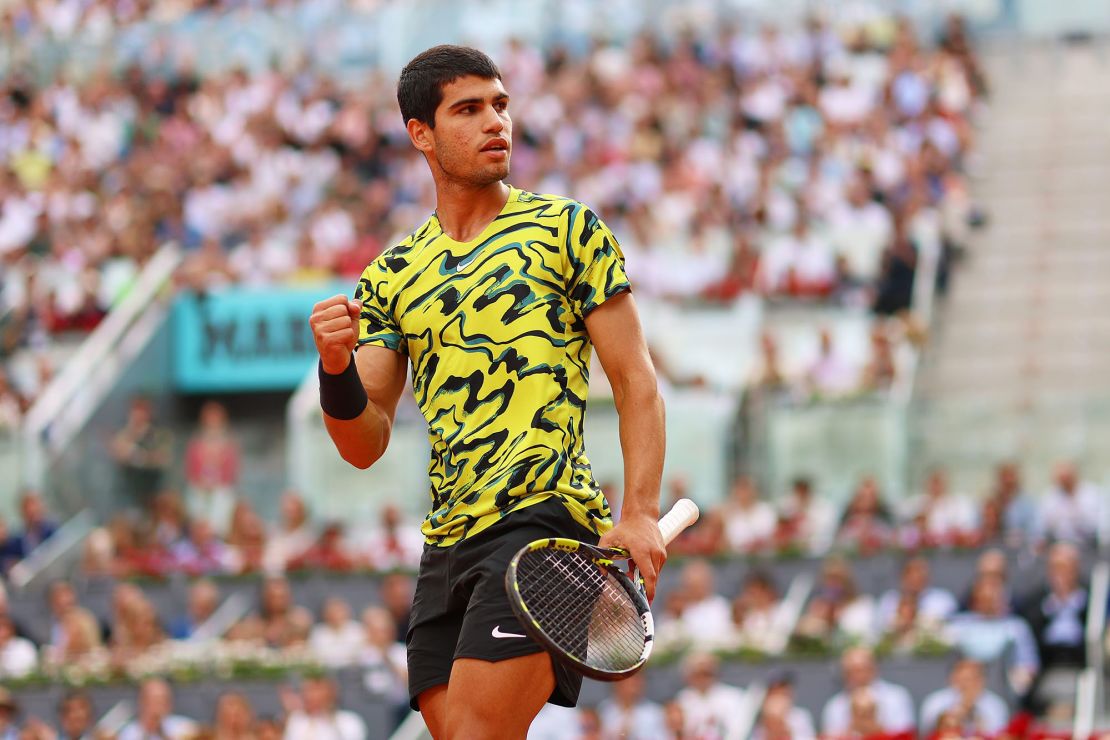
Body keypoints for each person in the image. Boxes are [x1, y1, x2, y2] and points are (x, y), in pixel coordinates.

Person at [308, 45, 667, 738]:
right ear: (422, 133)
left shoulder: (568, 230)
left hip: (545, 532)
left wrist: (642, 510)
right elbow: (363, 442)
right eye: (468, 110)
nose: (495, 121)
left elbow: (635, 380)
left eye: (500, 104)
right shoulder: (392, 273)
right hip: (446, 548)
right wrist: (333, 366)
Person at [821, 646, 915, 735]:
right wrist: (854, 725)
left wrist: (871, 725)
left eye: (862, 669)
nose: (858, 676)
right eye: (851, 671)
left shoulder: (897, 696)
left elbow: (904, 735)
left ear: (874, 668)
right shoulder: (835, 705)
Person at [919, 658, 1009, 736]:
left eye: (972, 679)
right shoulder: (935, 701)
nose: (967, 684)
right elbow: (928, 733)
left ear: (982, 680)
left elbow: (997, 734)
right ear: (952, 678)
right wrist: (960, 709)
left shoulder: (996, 704)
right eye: (963, 679)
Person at [282, 675, 367, 740]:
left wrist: (328, 716)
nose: (310, 695)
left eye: (316, 690)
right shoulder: (296, 719)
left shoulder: (349, 720)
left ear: (331, 693)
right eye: (307, 690)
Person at [117, 678, 198, 740]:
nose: (158, 707)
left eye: (164, 701)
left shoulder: (185, 728)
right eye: (154, 701)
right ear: (142, 703)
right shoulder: (128, 733)